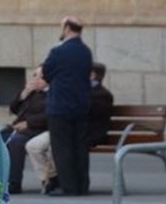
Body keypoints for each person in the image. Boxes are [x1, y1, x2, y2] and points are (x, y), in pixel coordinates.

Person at [27, 61, 113, 195]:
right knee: (33, 146)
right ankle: (49, 179)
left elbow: (86, 113)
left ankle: (60, 181)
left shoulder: (101, 94)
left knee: (57, 146)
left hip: (86, 133)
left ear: (91, 75)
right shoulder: (79, 90)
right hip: (65, 129)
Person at [41, 16, 93, 196]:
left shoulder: (58, 52)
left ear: (68, 29)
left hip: (60, 106)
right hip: (81, 106)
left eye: (62, 27)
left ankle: (69, 186)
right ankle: (82, 185)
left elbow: (46, 72)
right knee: (80, 147)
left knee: (62, 149)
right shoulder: (86, 52)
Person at [2, 65, 48, 194]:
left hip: (36, 129)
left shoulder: (50, 94)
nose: (36, 80)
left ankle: (14, 182)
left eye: (41, 77)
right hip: (19, 127)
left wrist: (29, 123)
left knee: (16, 142)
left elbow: (48, 116)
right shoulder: (31, 93)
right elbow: (13, 109)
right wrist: (23, 95)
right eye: (35, 76)